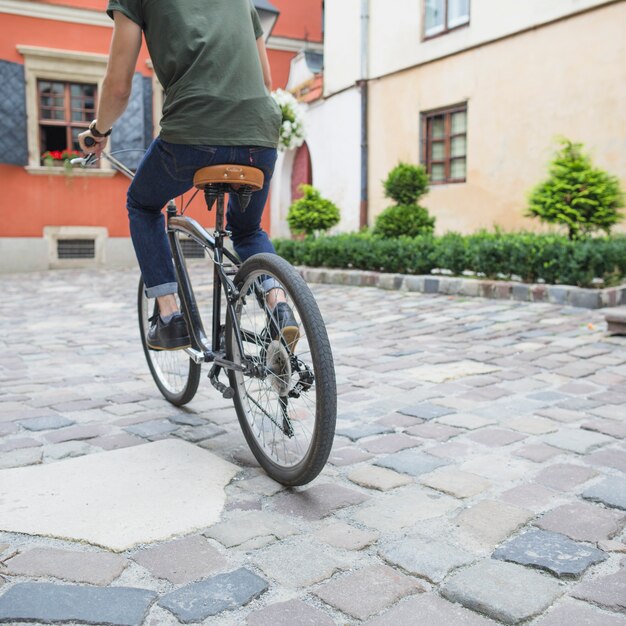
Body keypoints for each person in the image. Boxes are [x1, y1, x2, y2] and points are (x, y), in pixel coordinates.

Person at [79, 0, 296, 351]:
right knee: (248, 229)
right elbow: (266, 80)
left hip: (191, 133)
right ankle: (279, 304)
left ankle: (170, 317)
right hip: (259, 134)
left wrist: (99, 130)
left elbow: (118, 87)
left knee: (142, 203)